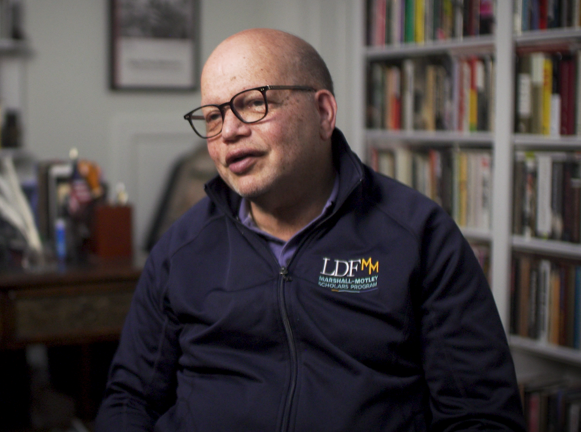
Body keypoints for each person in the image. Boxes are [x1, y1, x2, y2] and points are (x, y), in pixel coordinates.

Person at [95, 28, 526, 432]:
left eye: (252, 103)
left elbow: (481, 416)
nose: (228, 131)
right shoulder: (181, 248)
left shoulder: (419, 236)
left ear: (323, 112)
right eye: (212, 117)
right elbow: (130, 400)